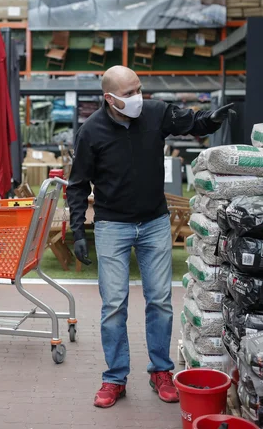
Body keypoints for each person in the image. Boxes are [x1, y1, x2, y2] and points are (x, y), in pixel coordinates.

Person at [67, 66, 232, 408]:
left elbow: (193, 122)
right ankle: (115, 378)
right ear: (109, 98)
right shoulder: (91, 132)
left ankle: (161, 371)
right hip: (112, 225)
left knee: (159, 300)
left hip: (155, 222)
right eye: (128, 94)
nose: (137, 98)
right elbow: (79, 184)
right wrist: (77, 229)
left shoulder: (156, 113)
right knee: (114, 305)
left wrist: (211, 120)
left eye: (139, 89)